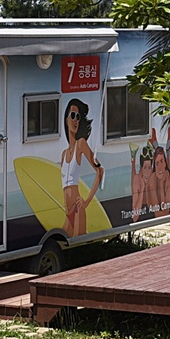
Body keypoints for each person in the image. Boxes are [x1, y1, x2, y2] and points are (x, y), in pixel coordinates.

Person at [61, 98, 103, 237]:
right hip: (68, 211)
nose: (76, 120)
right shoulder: (63, 154)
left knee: (77, 242)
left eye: (78, 117)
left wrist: (86, 201)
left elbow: (99, 171)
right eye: (73, 116)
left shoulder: (81, 144)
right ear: (66, 119)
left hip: (78, 209)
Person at [152, 124, 170, 216]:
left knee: (166, 174)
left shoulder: (167, 175)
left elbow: (164, 208)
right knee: (165, 174)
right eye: (157, 164)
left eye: (161, 162)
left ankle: (166, 147)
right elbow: (159, 212)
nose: (159, 166)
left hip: (165, 175)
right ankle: (167, 147)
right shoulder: (153, 179)